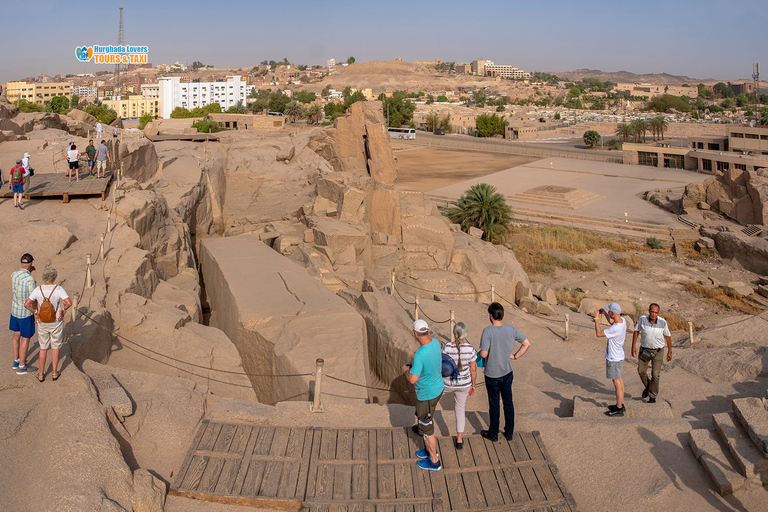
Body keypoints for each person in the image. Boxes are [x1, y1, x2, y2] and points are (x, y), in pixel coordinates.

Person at [479, 302, 531, 442]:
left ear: (491, 316)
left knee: (494, 403)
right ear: (502, 315)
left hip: (492, 374)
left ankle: (494, 433)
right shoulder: (511, 329)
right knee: (508, 402)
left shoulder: (488, 331)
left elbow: (483, 354)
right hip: (507, 371)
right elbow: (526, 343)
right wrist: (515, 356)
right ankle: (509, 432)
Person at [402, 319, 444, 471]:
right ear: (427, 331)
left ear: (415, 334)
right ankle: (427, 448)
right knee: (427, 418)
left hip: (426, 394)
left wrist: (406, 371)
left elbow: (413, 380)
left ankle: (434, 460)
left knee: (427, 430)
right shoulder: (435, 343)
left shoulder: (420, 354)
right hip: (437, 388)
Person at [25, 267, 72, 382]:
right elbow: (69, 303)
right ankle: (55, 373)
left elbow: (27, 304)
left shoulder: (38, 289)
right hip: (56, 321)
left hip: (42, 322)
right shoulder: (58, 289)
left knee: (43, 348)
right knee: (55, 347)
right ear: (54, 277)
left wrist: (36, 313)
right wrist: (62, 310)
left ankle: (41, 374)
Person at [442, 321, 477, 450]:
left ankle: (425, 428)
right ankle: (459, 439)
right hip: (464, 383)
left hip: (448, 382)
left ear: (454, 333)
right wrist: (473, 385)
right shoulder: (470, 349)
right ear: (465, 333)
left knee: (432, 402)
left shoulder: (447, 347)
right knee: (460, 410)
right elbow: (473, 370)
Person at [631, 303, 672, 404]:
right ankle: (649, 387)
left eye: (656, 313)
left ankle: (653, 396)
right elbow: (636, 331)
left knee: (655, 374)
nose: (654, 314)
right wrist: (633, 346)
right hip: (645, 350)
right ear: (649, 311)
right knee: (641, 371)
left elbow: (668, 336)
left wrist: (670, 351)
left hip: (658, 351)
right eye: (652, 312)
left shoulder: (663, 322)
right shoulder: (642, 319)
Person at [594, 302, 627, 417]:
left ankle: (619, 408)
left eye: (609, 312)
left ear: (613, 313)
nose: (608, 313)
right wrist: (605, 314)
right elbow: (612, 321)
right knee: (619, 379)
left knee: (616, 382)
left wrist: (597, 318)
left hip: (613, 358)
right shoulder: (622, 321)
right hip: (619, 356)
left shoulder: (615, 329)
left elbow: (599, 333)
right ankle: (621, 403)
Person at [10, 254, 36, 374]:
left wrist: (29, 271)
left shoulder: (14, 274)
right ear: (31, 264)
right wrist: (36, 312)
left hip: (15, 310)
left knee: (16, 335)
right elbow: (33, 298)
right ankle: (22, 366)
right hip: (25, 313)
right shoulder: (30, 280)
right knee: (26, 338)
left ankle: (16, 360)